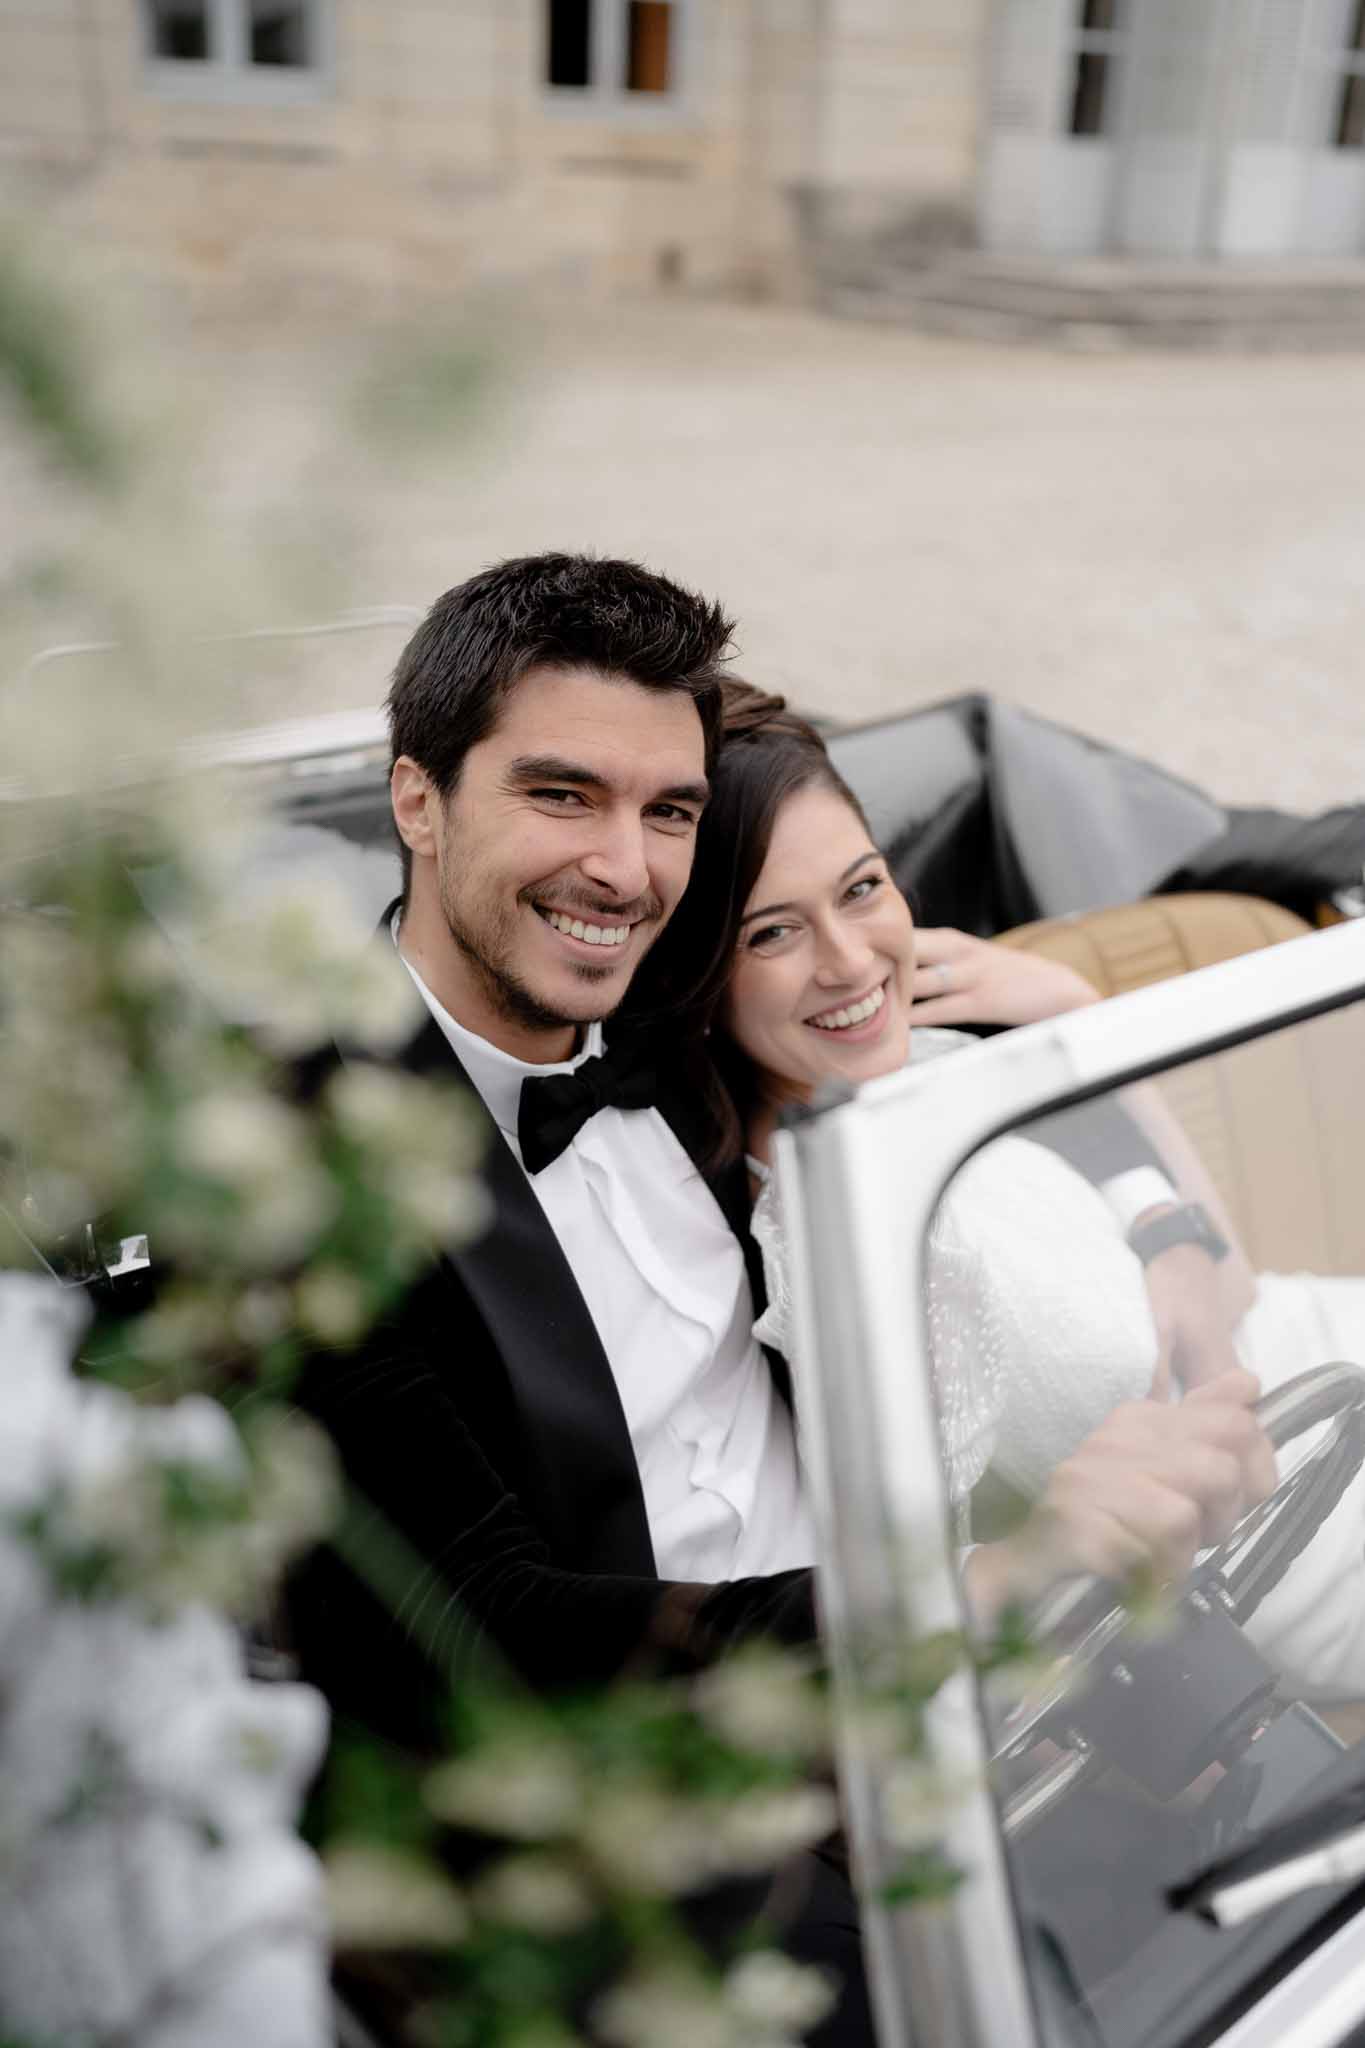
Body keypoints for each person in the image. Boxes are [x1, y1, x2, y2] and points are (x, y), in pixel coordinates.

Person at [287, 556, 1275, 2045]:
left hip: (958, 1689)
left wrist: (1155, 1218)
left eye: (666, 811)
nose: (623, 867)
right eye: (561, 796)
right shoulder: (310, 1163)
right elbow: (489, 1628)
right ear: (415, 801)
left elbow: (938, 1037)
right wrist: (977, 1594)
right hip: (674, 1824)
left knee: (1282, 1868)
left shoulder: (671, 1036)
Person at [634, 682, 1365, 1692]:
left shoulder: (921, 1059)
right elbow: (946, 1584)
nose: (851, 961)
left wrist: (1072, 1024)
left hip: (1322, 1356)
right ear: (696, 975)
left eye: (861, 888)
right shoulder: (835, 1247)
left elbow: (1225, 1284)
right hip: (1307, 1532)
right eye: (772, 932)